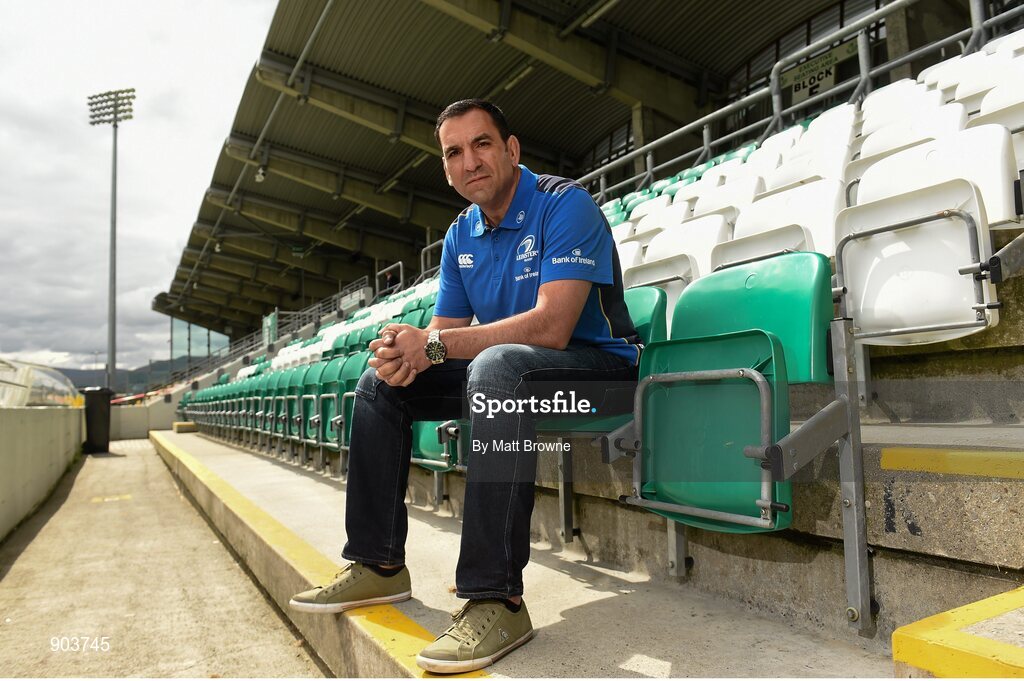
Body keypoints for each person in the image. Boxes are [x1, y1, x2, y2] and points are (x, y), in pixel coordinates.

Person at [289, 99, 641, 673]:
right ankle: (378, 565)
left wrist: (435, 346)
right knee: (382, 384)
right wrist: (405, 351)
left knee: (497, 368)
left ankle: (496, 597)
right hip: (510, 373)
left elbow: (552, 328)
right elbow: (442, 338)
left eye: (481, 144)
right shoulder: (461, 234)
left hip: (599, 376)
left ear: (511, 149)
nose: (469, 160)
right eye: (454, 152)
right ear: (446, 168)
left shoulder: (565, 204)